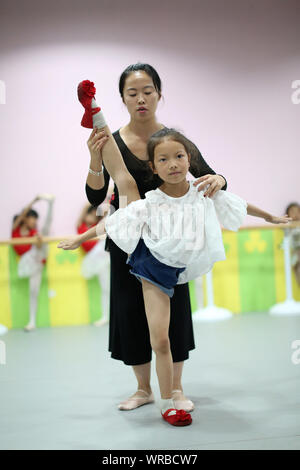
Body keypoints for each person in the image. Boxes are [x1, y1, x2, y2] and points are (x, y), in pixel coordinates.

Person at [58, 125, 291, 426]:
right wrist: (80, 239)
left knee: (171, 335)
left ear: (189, 158)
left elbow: (238, 204)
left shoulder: (202, 192)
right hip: (151, 268)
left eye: (179, 156)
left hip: (177, 266)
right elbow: (115, 221)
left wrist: (271, 217)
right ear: (154, 168)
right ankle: (166, 402)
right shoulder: (152, 200)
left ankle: (173, 390)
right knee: (161, 341)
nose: (173, 164)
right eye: (164, 160)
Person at [84, 63, 229, 414]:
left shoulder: (173, 139)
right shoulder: (111, 141)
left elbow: (211, 175)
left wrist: (221, 179)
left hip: (172, 244)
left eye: (148, 90)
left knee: (173, 317)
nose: (141, 98)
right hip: (126, 240)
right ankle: (143, 389)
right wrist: (94, 160)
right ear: (122, 99)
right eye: (132, 93)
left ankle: (176, 389)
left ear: (159, 95)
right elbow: (94, 197)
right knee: (130, 313)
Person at [12, 194, 55, 331]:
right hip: (26, 262)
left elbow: (38, 247)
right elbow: (22, 215)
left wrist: (39, 240)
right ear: (25, 218)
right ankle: (50, 204)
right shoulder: (16, 230)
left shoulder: (34, 232)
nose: (35, 221)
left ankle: (51, 205)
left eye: (36, 219)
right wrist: (35, 200)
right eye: (33, 218)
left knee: (33, 291)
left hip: (36, 261)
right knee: (32, 291)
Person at [77, 203, 111, 326]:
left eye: (93, 215)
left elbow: (107, 216)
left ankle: (107, 316)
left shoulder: (97, 226)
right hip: (96, 259)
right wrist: (90, 204)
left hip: (105, 256)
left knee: (107, 287)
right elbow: (83, 212)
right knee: (105, 288)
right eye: (90, 214)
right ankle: (105, 316)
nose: (91, 217)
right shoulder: (80, 226)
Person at [286, 202, 300, 285]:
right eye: (293, 212)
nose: (296, 215)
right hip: (295, 253)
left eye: (298, 212)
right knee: (297, 270)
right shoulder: (288, 226)